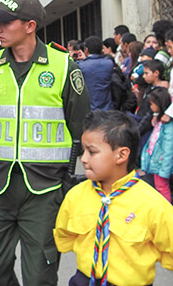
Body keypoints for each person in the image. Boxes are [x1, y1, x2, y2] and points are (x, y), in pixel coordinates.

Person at [0, 0, 90, 285]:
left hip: (44, 188)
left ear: (29, 26)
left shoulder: (63, 66)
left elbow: (81, 128)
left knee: (40, 274)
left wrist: (71, 178)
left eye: (5, 23)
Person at [54, 110, 173, 286]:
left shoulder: (154, 205)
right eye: (83, 151)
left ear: (122, 155)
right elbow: (64, 237)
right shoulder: (76, 196)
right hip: (83, 280)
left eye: (92, 152)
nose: (84, 159)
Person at [140, 87, 173, 202]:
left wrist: (165, 169)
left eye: (152, 104)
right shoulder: (160, 121)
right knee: (157, 186)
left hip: (161, 163)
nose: (151, 107)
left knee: (162, 187)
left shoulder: (168, 125)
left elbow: (169, 148)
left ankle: (166, 212)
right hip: (156, 161)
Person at [77, 36, 114, 111]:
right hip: (108, 109)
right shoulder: (109, 63)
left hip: (89, 109)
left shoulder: (81, 66)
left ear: (86, 50)